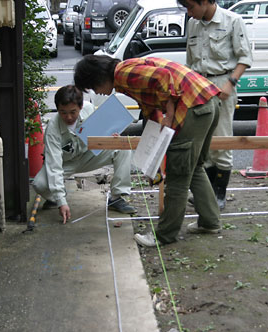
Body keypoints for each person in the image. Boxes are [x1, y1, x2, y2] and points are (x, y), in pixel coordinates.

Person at [74, 55, 222, 247]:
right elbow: (150, 111)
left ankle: (164, 235)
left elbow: (162, 77)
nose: (97, 93)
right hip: (206, 102)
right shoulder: (128, 71)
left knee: (178, 177)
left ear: (98, 77)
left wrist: (169, 114)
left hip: (191, 107)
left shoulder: (122, 73)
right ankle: (210, 222)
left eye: (93, 87)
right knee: (194, 167)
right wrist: (151, 159)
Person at [178, 0, 253, 210]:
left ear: (205, 2)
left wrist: (230, 83)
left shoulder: (233, 21)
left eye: (191, 7)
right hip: (198, 86)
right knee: (203, 144)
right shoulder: (193, 23)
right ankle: (207, 194)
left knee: (222, 141)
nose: (189, 13)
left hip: (222, 84)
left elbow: (245, 58)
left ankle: (219, 195)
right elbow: (190, 61)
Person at [32, 85, 136, 224]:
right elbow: (54, 165)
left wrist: (111, 136)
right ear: (57, 109)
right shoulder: (53, 128)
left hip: (88, 155)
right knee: (39, 184)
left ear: (80, 107)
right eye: (63, 112)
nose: (68, 117)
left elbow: (101, 130)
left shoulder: (88, 109)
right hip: (65, 164)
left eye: (73, 112)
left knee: (121, 147)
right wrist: (61, 201)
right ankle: (55, 198)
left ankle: (116, 198)